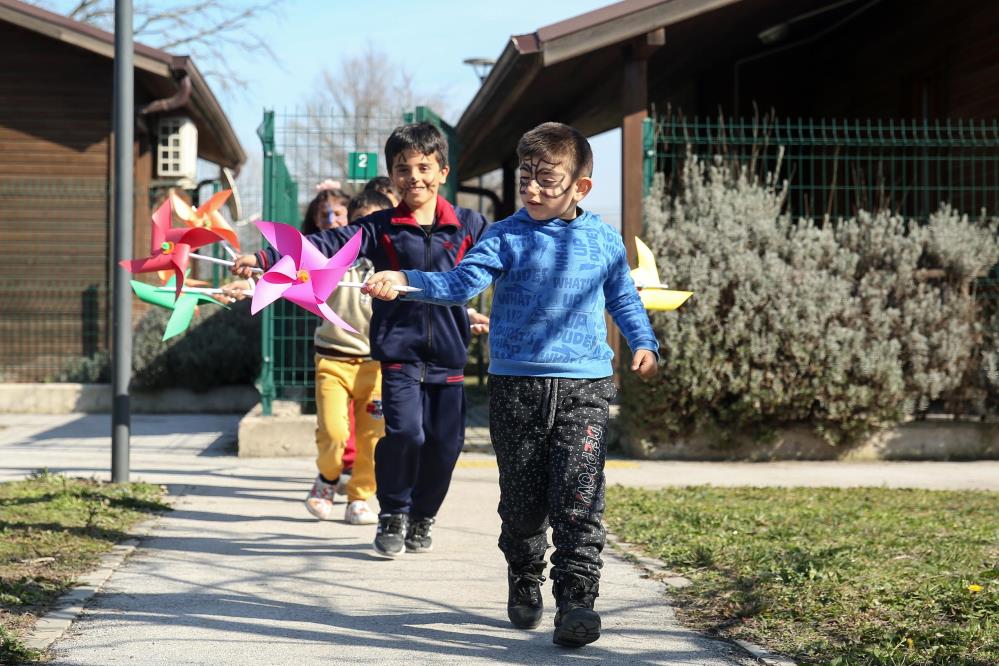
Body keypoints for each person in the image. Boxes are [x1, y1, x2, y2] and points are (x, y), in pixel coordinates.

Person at [363, 122, 659, 648]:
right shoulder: (503, 236)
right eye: (526, 177)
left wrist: (643, 342)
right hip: (516, 387)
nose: (533, 188)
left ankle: (577, 602)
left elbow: (624, 297)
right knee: (522, 503)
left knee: (578, 497)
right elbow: (459, 284)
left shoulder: (602, 240)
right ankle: (525, 576)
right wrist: (406, 280)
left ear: (580, 187)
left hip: (584, 387)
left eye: (547, 179)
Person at [232, 122, 489, 558]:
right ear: (392, 176)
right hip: (399, 355)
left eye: (424, 167)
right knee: (406, 435)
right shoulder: (380, 227)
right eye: (403, 169)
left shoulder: (469, 225)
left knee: (446, 446)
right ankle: (392, 512)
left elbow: (506, 260)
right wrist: (265, 258)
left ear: (443, 171)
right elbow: (325, 245)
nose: (414, 178)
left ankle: (423, 516)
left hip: (448, 357)